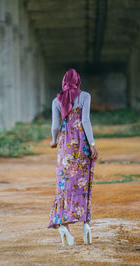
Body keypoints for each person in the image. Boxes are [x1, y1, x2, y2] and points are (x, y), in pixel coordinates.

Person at [47, 68, 98, 246]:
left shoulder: (56, 100)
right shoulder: (85, 96)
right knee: (83, 181)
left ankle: (64, 226)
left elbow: (55, 126)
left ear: (63, 82)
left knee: (64, 182)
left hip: (65, 145)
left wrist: (54, 141)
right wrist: (92, 144)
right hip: (81, 143)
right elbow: (85, 121)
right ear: (78, 81)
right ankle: (86, 225)